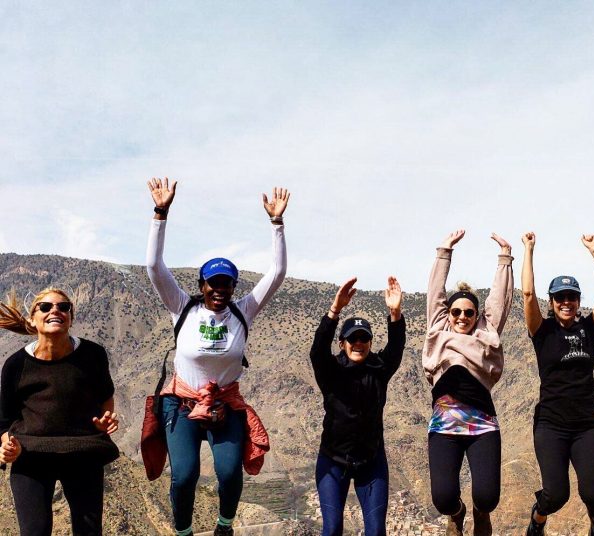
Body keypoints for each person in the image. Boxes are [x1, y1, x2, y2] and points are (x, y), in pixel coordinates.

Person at [144, 177, 288, 536]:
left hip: (225, 403)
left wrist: (277, 224)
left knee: (227, 472)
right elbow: (153, 267)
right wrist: (160, 213)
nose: (220, 290)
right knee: (185, 476)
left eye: (227, 284)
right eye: (214, 283)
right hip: (181, 404)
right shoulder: (182, 308)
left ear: (233, 287)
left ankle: (225, 526)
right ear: (202, 286)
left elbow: (278, 272)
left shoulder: (244, 312)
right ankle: (184, 531)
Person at [0, 288, 120, 536]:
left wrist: (104, 421)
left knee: (88, 532)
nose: (55, 310)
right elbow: (4, 421)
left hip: (82, 452)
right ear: (33, 319)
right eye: (45, 307)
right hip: (31, 455)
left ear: (70, 317)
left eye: (63, 307)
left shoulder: (93, 355)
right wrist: (7, 446)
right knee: (35, 531)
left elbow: (106, 397)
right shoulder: (16, 365)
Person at [520, 233, 594, 536]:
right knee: (556, 495)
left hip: (586, 423)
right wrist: (529, 250)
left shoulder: (590, 328)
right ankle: (538, 519)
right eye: (559, 297)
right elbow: (526, 294)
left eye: (571, 297)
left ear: (578, 301)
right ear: (552, 302)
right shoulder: (542, 331)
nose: (566, 302)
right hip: (552, 424)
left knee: (593, 494)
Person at [422, 229, 514, 536]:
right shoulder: (438, 331)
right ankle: (458, 513)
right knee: (444, 499)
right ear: (448, 314)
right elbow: (435, 293)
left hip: (482, 425)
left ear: (477, 316)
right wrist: (443, 252)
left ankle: (478, 512)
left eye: (469, 312)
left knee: (488, 498)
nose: (462, 316)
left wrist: (504, 258)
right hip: (444, 427)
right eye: (456, 311)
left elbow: (499, 302)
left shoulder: (485, 336)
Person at [310, 276, 405, 536]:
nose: (359, 343)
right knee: (332, 529)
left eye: (364, 338)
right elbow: (317, 352)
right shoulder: (331, 372)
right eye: (353, 339)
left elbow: (396, 349)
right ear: (342, 343)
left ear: (371, 343)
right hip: (333, 461)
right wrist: (334, 312)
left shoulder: (379, 369)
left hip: (371, 462)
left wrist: (395, 314)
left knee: (376, 531)